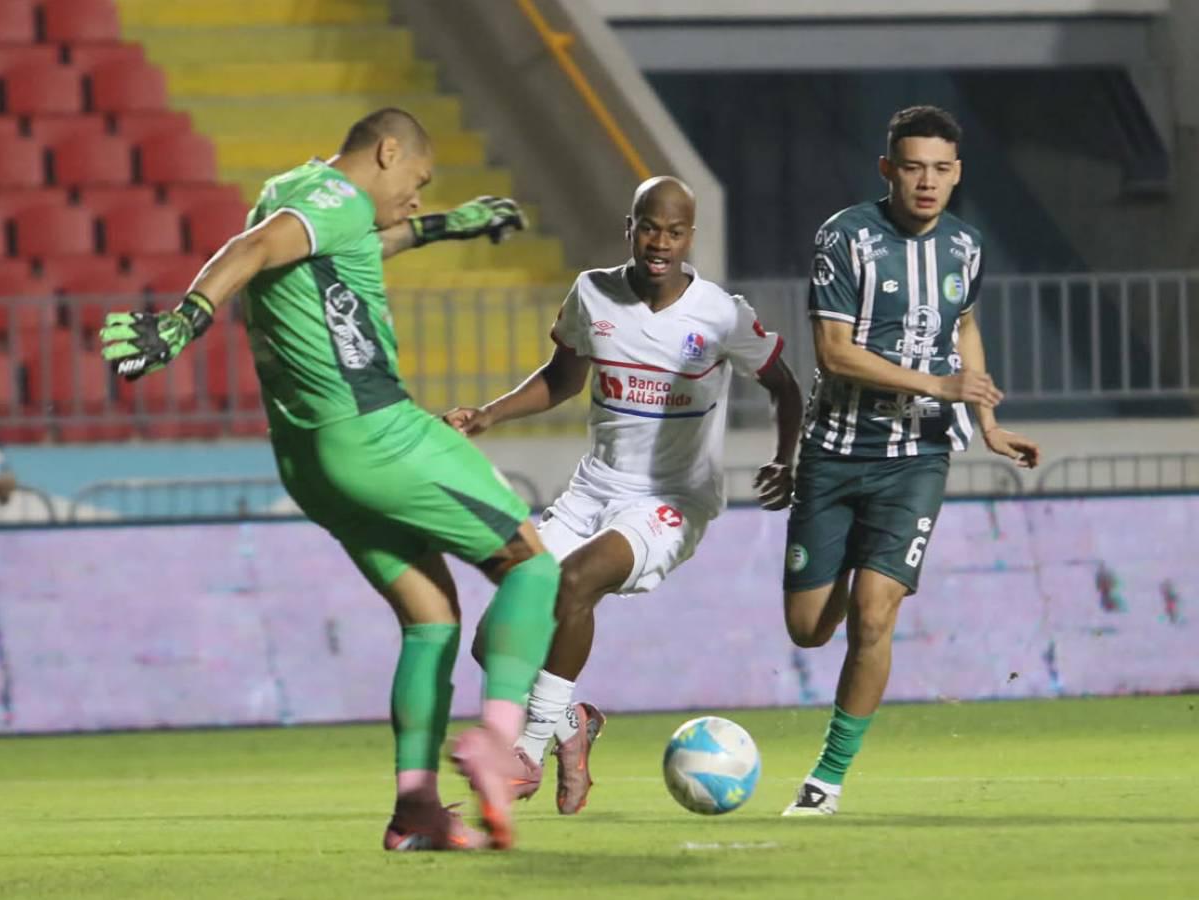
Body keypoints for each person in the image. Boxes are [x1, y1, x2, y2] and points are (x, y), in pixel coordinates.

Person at [99, 108, 561, 851]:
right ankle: (499, 741)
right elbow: (251, 248)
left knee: (431, 618)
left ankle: (416, 808)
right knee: (531, 568)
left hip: (310, 460)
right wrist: (185, 320)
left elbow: (351, 246)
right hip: (376, 430)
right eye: (418, 181)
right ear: (386, 153)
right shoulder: (332, 200)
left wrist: (451, 225)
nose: (417, 197)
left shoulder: (303, 191)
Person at [446, 176, 804, 814]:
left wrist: (786, 457)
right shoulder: (593, 292)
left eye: (673, 231)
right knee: (493, 639)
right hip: (593, 490)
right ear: (630, 227)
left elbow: (784, 385)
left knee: (576, 581)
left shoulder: (720, 313)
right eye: (649, 227)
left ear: (690, 236)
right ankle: (571, 723)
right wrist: (488, 415)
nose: (659, 243)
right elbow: (561, 379)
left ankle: (527, 749)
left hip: (671, 499)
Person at [780, 106, 1041, 816]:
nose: (928, 182)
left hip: (917, 458)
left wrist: (986, 420)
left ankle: (826, 780)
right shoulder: (846, 237)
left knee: (874, 614)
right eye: (914, 167)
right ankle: (853, 561)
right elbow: (833, 352)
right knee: (809, 628)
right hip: (834, 454)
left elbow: (964, 325)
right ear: (888, 169)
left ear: (957, 175)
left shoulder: (965, 246)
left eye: (942, 169)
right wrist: (939, 384)